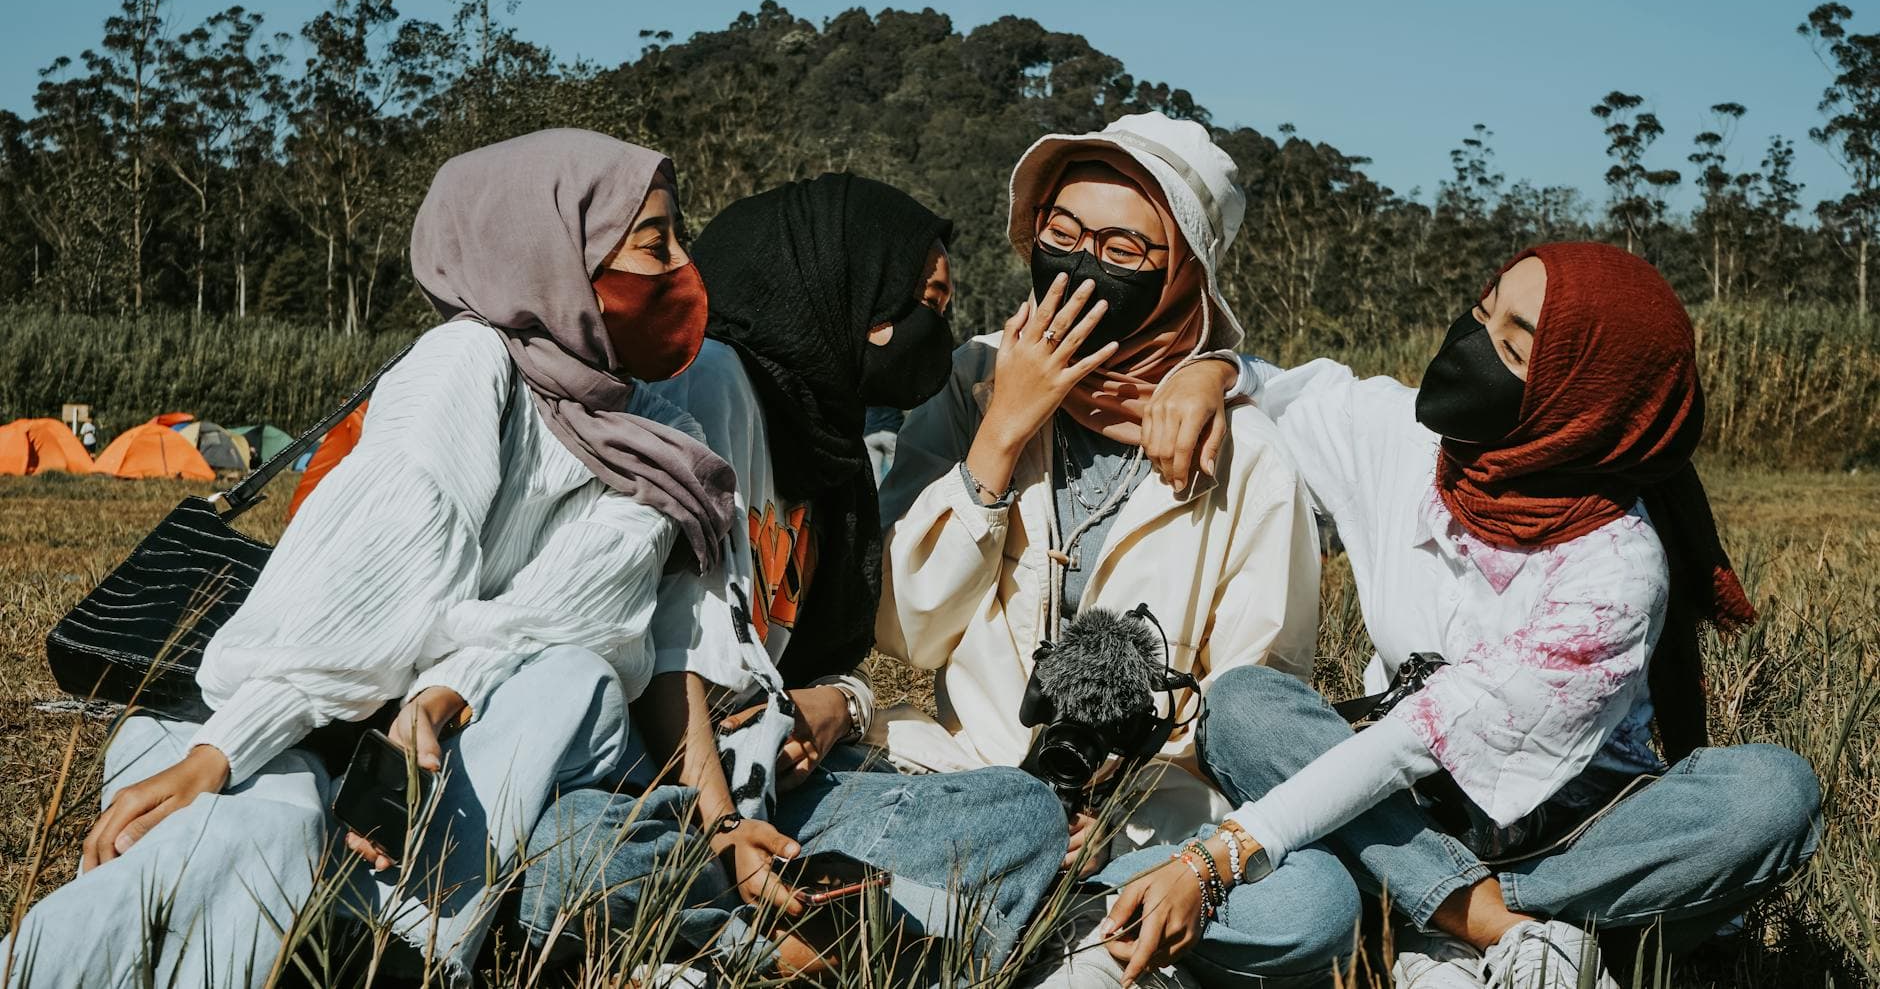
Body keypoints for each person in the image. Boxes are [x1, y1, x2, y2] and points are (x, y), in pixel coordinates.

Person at [2, 129, 739, 988]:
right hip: (272, 714)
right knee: (269, 828)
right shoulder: (467, 362)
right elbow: (367, 587)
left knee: (571, 675)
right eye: (654, 242)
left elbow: (568, 612)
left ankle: (392, 939)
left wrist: (443, 684)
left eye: (680, 238)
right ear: (553, 254)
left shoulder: (660, 439)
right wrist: (221, 752)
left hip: (425, 755)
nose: (682, 267)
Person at [1112, 242, 1822, 989]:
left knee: (1771, 795)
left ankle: (1429, 919)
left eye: (1512, 348)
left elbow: (1411, 741)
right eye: (1482, 313)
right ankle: (1507, 935)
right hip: (1404, 813)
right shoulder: (1411, 445)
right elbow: (1289, 392)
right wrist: (1213, 371)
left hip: (1573, 835)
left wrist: (1223, 852)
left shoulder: (1615, 568)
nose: (1472, 347)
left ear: (1580, 404)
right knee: (1241, 705)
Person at [521, 174, 1069, 983]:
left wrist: (841, 703)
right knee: (574, 853)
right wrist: (723, 826)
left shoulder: (830, 443)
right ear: (842, 286)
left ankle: (739, 932)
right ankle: (777, 943)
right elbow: (674, 645)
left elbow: (843, 652)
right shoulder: (712, 383)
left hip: (774, 785)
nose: (933, 329)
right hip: (655, 784)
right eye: (924, 301)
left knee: (1024, 813)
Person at [875, 113, 1353, 987]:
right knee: (824, 766)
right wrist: (1000, 432)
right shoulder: (973, 380)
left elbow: (1247, 701)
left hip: (1144, 832)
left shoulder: (1247, 453)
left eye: (1123, 249)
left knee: (1315, 899)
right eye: (1060, 233)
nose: (1080, 264)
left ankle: (1039, 923)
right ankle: (1060, 935)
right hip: (970, 787)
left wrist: (1102, 802)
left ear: (1182, 275)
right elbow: (907, 634)